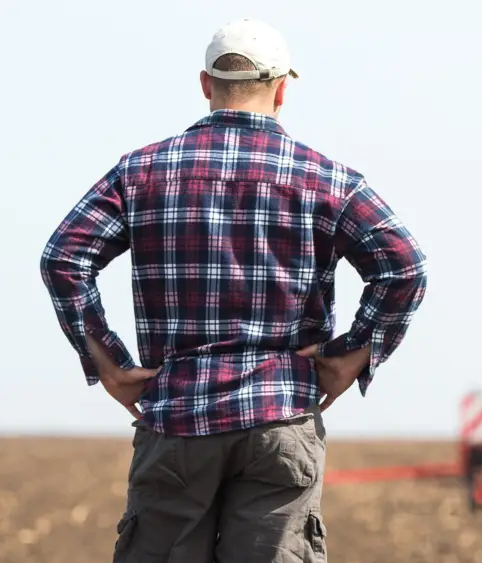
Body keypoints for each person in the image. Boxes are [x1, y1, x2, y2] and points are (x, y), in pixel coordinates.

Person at [38, 19, 428, 563]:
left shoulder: (141, 171)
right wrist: (351, 356)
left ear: (206, 84)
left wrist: (108, 364)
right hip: (280, 417)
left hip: (177, 418)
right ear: (283, 89)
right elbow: (405, 267)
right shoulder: (328, 179)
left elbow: (64, 257)